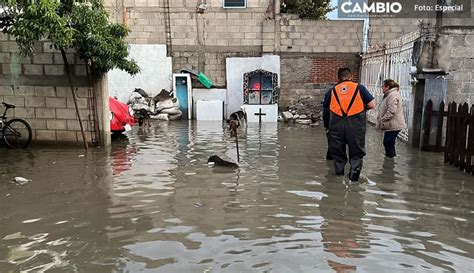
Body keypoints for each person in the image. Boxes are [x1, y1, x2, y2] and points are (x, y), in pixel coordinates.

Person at [323, 68, 376, 181]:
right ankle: (354, 179)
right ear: (351, 77)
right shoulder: (359, 88)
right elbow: (372, 105)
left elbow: (326, 110)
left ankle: (339, 177)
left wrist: (327, 127)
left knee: (338, 154)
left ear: (339, 78)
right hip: (356, 126)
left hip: (336, 127)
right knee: (356, 154)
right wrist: (361, 108)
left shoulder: (332, 91)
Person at [376, 79, 406, 158]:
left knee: (388, 142)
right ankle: (390, 159)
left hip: (393, 124)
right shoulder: (390, 94)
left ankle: (390, 159)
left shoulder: (393, 95)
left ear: (387, 87)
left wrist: (383, 119)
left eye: (383, 86)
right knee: (388, 142)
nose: (382, 88)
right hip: (390, 125)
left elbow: (392, 110)